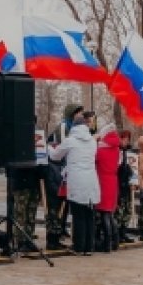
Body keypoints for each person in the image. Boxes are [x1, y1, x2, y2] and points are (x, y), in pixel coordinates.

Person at [47, 109, 100, 255]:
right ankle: (90, 247)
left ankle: (79, 246)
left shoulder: (70, 141)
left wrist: (48, 148)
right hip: (91, 179)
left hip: (76, 180)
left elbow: (56, 156)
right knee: (89, 214)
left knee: (78, 215)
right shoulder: (92, 142)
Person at [94, 122, 121, 252]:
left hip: (102, 180)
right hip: (113, 180)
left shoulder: (100, 149)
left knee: (104, 213)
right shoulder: (116, 148)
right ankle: (115, 241)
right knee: (110, 213)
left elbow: (94, 159)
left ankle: (106, 244)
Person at [114, 129, 136, 243]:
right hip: (119, 184)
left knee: (127, 210)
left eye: (128, 139)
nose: (126, 141)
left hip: (126, 184)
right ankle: (117, 233)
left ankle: (123, 232)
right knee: (120, 210)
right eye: (124, 138)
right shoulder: (117, 151)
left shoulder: (127, 152)